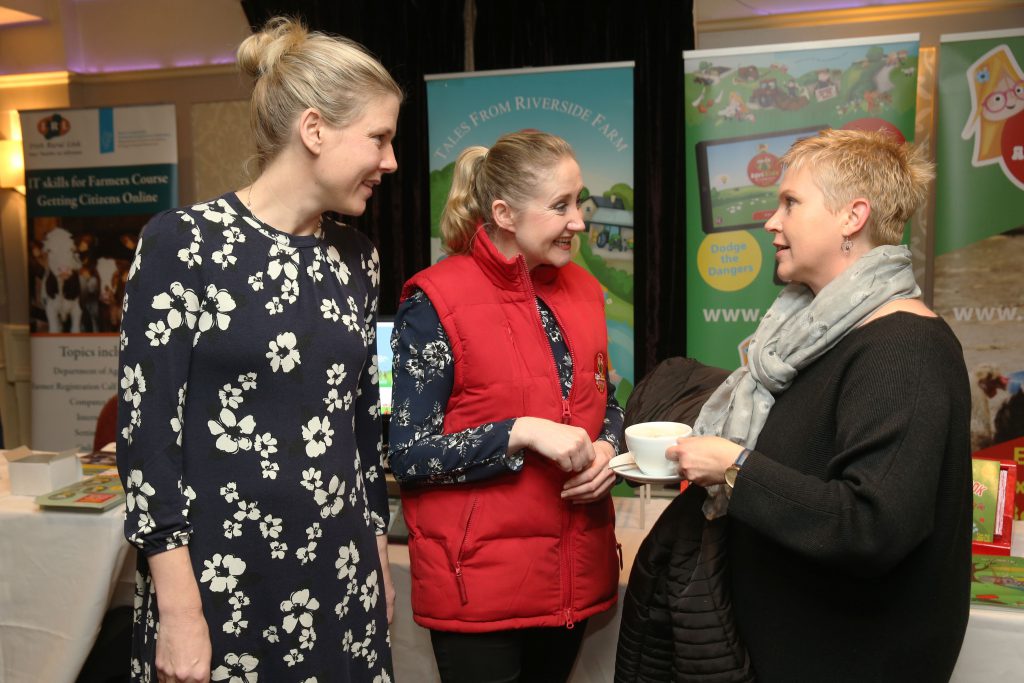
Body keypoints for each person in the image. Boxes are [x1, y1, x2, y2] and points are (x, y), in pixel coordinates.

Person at [115, 17, 401, 682]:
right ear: (314, 129)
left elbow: (362, 431)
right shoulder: (182, 246)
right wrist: (181, 613)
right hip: (220, 590)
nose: (390, 161)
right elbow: (147, 440)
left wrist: (378, 562)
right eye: (379, 138)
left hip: (341, 582)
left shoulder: (358, 259)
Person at [664, 129, 972, 681]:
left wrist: (734, 468)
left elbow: (872, 526)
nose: (770, 222)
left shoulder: (905, 347)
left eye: (791, 203)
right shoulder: (818, 334)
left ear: (852, 217)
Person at [388, 130, 623, 683]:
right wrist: (518, 431)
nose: (580, 221)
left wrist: (610, 445)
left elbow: (604, 400)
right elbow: (411, 455)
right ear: (504, 213)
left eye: (579, 201)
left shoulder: (585, 290)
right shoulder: (434, 301)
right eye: (561, 205)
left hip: (575, 578)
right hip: (479, 592)